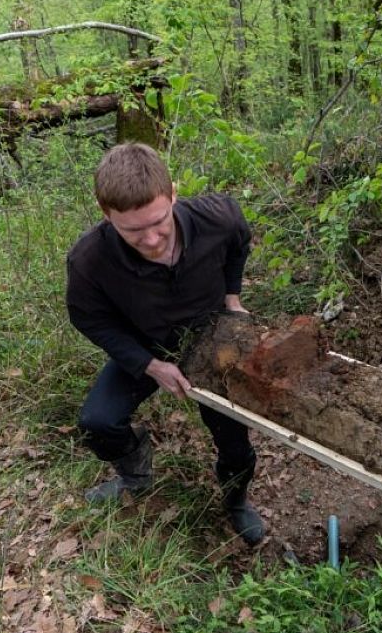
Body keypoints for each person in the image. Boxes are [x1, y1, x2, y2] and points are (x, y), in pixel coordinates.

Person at [65, 142, 265, 545]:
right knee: (98, 424)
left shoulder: (219, 218)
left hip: (209, 339)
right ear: (106, 213)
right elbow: (88, 318)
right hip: (145, 342)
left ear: (173, 194)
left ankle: (236, 499)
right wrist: (148, 365)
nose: (153, 239)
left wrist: (232, 298)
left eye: (160, 222)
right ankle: (135, 475)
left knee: (235, 443)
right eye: (134, 231)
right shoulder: (89, 260)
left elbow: (239, 244)